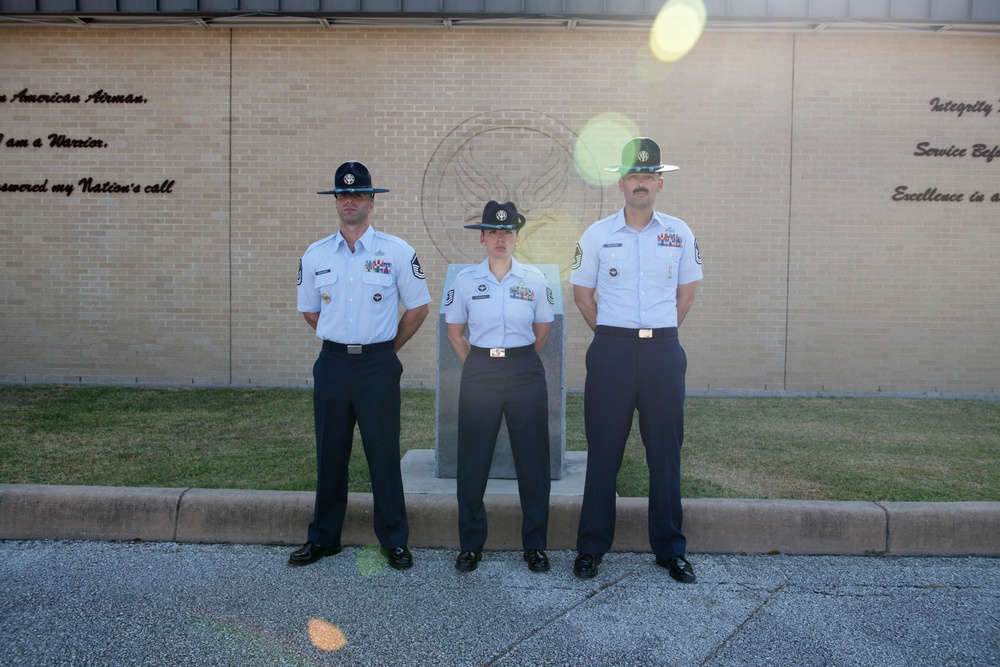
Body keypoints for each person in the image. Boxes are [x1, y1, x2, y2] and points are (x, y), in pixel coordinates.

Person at [570, 138, 703, 583]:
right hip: (612, 351)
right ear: (621, 183)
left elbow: (686, 293)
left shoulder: (679, 233)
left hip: (664, 351)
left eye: (648, 176)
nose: (640, 184)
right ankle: (591, 547)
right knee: (603, 454)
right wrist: (612, 334)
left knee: (665, 453)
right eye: (633, 176)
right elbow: (583, 295)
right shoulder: (597, 235)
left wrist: (659, 335)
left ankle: (670, 549)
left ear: (660, 183)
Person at [290, 160, 431, 570]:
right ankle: (324, 538)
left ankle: (394, 539)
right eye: (342, 194)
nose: (349, 201)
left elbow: (419, 307)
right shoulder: (315, 255)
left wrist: (387, 348)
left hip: (377, 367)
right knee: (330, 454)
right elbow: (310, 312)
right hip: (332, 365)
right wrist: (341, 338)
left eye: (357, 194)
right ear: (336, 202)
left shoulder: (397, 252)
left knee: (383, 455)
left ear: (372, 201)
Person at [445, 200, 555, 573]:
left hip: (525, 369)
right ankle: (471, 544)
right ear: (483, 239)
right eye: (492, 232)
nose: (499, 240)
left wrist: (513, 361)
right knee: (473, 461)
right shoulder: (465, 282)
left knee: (533, 460)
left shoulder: (534, 281)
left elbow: (542, 331)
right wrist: (481, 363)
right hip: (480, 371)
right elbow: (456, 332)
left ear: (517, 238)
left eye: (506, 233)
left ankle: (535, 546)